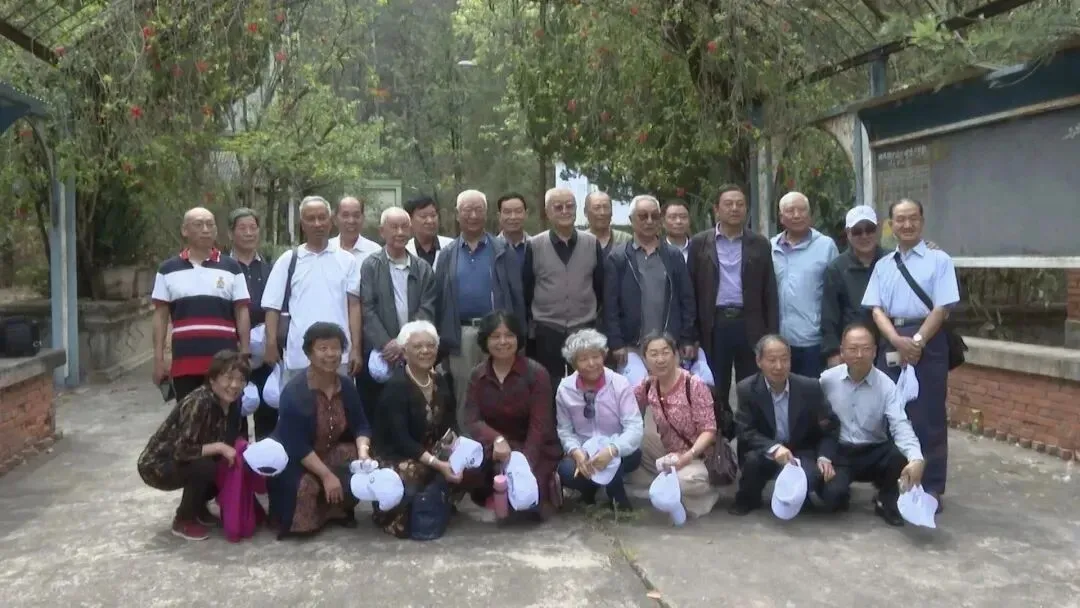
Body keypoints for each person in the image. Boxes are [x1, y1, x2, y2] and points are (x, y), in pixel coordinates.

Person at [862, 198, 959, 511]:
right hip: (892, 338)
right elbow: (876, 309)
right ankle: (892, 485)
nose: (907, 225)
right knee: (892, 414)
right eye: (900, 219)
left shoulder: (939, 260)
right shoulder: (883, 265)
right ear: (891, 225)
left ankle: (929, 488)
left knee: (928, 416)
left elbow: (942, 307)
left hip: (928, 339)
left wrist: (916, 341)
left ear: (922, 221)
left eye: (912, 218)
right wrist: (895, 339)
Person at [371, 321, 480, 537]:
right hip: (398, 455)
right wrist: (438, 464)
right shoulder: (396, 387)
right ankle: (395, 512)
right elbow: (401, 440)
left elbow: (450, 424)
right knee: (417, 475)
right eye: (417, 346)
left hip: (432, 452)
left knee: (471, 463)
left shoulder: (440, 380)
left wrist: (456, 452)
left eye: (430, 345)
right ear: (404, 352)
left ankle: (438, 502)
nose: (425, 351)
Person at [268, 322, 372, 538]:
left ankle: (339, 511)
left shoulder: (346, 386)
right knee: (306, 486)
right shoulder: (295, 392)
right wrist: (326, 476)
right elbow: (296, 445)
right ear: (309, 353)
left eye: (335, 348)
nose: (331, 354)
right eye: (323, 348)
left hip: (330, 450)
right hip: (298, 459)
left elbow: (361, 424)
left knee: (355, 459)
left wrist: (364, 453)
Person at [818, 324, 926, 526]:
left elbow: (900, 425)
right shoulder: (827, 380)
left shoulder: (887, 385)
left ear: (875, 351)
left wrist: (916, 458)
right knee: (832, 500)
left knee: (899, 455)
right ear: (842, 351)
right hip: (840, 452)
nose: (859, 355)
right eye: (853, 349)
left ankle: (886, 500)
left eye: (866, 349)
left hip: (873, 451)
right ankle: (841, 491)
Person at [687, 184, 778, 423]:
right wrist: (691, 335)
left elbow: (769, 292)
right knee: (715, 385)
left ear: (746, 209)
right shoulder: (699, 243)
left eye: (740, 204)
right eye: (728, 204)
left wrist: (772, 335)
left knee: (752, 385)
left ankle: (750, 436)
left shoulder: (760, 244)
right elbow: (690, 292)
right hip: (714, 324)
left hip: (750, 323)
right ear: (717, 209)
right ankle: (718, 436)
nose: (735, 208)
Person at [137, 350, 251, 541]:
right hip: (159, 464)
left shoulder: (233, 402)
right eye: (228, 378)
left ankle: (198, 509)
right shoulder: (199, 402)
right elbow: (182, 450)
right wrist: (220, 447)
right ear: (213, 379)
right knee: (205, 467)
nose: (234, 385)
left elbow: (233, 438)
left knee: (227, 464)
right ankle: (183, 520)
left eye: (240, 379)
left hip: (188, 457)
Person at [434, 190, 526, 419]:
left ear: (487, 214)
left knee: (500, 389)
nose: (473, 215)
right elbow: (440, 299)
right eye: (467, 210)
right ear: (457, 214)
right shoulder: (447, 254)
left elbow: (517, 297)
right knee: (465, 394)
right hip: (461, 334)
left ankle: (498, 438)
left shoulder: (503, 250)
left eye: (478, 210)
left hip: (498, 333)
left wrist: (518, 336)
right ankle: (467, 439)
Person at [463, 311, 563, 519]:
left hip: (533, 447)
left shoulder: (537, 373)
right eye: (495, 336)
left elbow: (540, 424)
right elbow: (472, 420)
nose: (503, 342)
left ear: (518, 338)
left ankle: (546, 484)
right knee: (468, 474)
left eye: (509, 335)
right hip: (495, 448)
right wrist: (497, 439)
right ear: (485, 340)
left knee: (527, 504)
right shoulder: (477, 374)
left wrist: (524, 463)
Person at [729, 334, 840, 516]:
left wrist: (824, 456)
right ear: (759, 361)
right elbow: (744, 430)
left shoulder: (809, 387)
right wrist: (773, 448)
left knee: (823, 486)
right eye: (772, 360)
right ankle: (748, 498)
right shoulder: (747, 389)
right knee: (752, 462)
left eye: (784, 359)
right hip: (765, 450)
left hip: (800, 450)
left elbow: (831, 426)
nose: (779, 366)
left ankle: (800, 495)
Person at [152, 207, 251, 403]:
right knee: (190, 417)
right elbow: (160, 317)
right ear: (184, 230)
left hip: (226, 364)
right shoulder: (167, 270)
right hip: (185, 363)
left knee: (226, 416)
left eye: (210, 224)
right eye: (198, 224)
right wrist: (158, 359)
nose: (205, 229)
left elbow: (242, 311)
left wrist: (245, 353)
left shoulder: (231, 267)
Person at [262, 196, 364, 384]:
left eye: (322, 217)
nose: (317, 224)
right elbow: (272, 307)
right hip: (299, 356)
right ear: (302, 224)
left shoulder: (347, 260)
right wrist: (270, 344)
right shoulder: (289, 260)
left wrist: (356, 349)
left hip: (339, 356)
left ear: (330, 221)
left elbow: (354, 306)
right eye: (311, 219)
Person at [524, 187, 605, 396]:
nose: (565, 211)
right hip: (547, 328)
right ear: (547, 212)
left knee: (588, 382)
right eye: (558, 207)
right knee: (549, 386)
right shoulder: (534, 245)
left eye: (570, 206)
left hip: (584, 326)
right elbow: (527, 288)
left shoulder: (592, 243)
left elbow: (599, 285)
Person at [359, 207, 437, 418]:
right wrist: (387, 344)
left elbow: (427, 307)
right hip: (382, 353)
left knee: (412, 409)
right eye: (394, 227)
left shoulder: (423, 268)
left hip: (413, 351)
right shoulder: (370, 266)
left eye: (404, 227)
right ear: (382, 231)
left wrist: (403, 343)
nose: (400, 232)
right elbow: (367, 308)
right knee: (380, 409)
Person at [632, 332, 719, 519]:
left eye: (665, 352)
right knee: (634, 440)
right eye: (653, 354)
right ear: (645, 359)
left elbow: (709, 430)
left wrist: (688, 456)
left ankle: (700, 493)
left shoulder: (693, 384)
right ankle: (666, 485)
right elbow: (625, 403)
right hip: (668, 451)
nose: (660, 359)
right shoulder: (648, 384)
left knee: (684, 482)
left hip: (698, 455)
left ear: (675, 355)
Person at [604, 195, 696, 371]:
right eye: (643, 216)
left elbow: (687, 300)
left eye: (654, 216)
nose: (649, 221)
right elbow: (610, 306)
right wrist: (616, 343)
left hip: (669, 345)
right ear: (631, 219)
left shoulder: (673, 256)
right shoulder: (618, 258)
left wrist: (687, 338)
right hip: (632, 347)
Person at [555, 329, 643, 511]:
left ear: (604, 356)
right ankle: (591, 490)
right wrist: (577, 452)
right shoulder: (565, 389)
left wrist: (612, 450)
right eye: (583, 359)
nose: (591, 363)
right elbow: (564, 430)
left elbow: (634, 427)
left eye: (596, 356)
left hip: (618, 448)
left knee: (623, 459)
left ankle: (617, 499)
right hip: (585, 450)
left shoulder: (619, 383)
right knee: (566, 471)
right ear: (573, 363)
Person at [770, 191, 839, 378]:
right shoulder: (771, 247)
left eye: (802, 210)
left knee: (811, 391)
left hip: (813, 341)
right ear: (781, 217)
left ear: (810, 215)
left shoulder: (826, 246)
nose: (797, 215)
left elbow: (835, 294)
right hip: (779, 342)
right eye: (790, 211)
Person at [228, 207, 277, 438]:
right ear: (231, 233)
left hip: (267, 352)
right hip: (233, 351)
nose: (249, 233)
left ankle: (267, 458)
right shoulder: (222, 268)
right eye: (242, 228)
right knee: (234, 412)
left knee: (269, 411)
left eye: (253, 228)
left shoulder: (271, 269)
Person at [821, 206, 887, 369]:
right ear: (848, 233)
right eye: (857, 231)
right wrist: (833, 352)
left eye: (869, 229)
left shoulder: (892, 261)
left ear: (878, 229)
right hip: (854, 352)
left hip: (888, 347)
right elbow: (829, 315)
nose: (864, 236)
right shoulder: (836, 268)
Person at [329, 196, 381, 267]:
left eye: (356, 215)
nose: (351, 221)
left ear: (363, 218)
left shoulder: (375, 252)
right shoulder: (326, 250)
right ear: (335, 219)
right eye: (345, 215)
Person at [405, 196, 454, 270]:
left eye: (433, 215)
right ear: (410, 219)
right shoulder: (405, 250)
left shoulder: (451, 246)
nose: (430, 221)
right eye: (423, 216)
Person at [496, 192, 530, 261]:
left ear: (526, 214)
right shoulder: (491, 248)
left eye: (518, 211)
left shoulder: (537, 247)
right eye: (507, 212)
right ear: (499, 216)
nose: (513, 217)